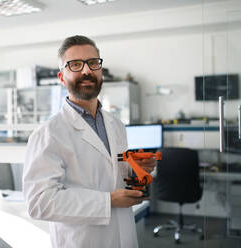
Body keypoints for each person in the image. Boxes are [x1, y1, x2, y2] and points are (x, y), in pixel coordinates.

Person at [23, 35, 156, 248]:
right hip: (82, 241)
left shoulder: (116, 125)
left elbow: (110, 176)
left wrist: (133, 170)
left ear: (100, 70)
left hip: (124, 237)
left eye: (93, 63)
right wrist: (108, 201)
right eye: (75, 65)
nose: (86, 71)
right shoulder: (48, 133)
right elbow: (40, 203)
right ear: (61, 77)